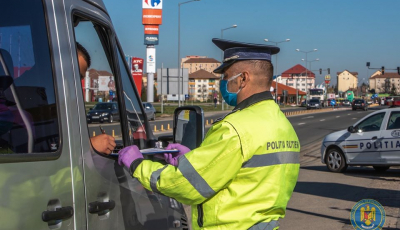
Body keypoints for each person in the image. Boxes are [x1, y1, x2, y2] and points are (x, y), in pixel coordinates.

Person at [115, 38, 300, 230]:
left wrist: (137, 165)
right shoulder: (283, 125)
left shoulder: (234, 129)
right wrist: (191, 158)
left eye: (227, 76)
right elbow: (244, 172)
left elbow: (185, 185)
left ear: (244, 78)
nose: (223, 83)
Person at [76, 43, 116, 154]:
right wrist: (89, 146)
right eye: (75, 76)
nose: (78, 83)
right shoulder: (35, 103)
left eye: (80, 78)